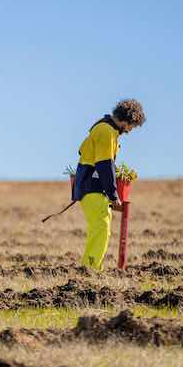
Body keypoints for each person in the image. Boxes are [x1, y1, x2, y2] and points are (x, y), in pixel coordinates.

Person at [72, 98, 146, 271]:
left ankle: (90, 267)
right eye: (132, 126)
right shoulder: (106, 131)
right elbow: (105, 165)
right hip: (93, 188)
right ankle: (90, 269)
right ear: (126, 119)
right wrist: (114, 195)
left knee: (100, 228)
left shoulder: (106, 129)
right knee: (101, 227)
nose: (130, 130)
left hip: (91, 188)